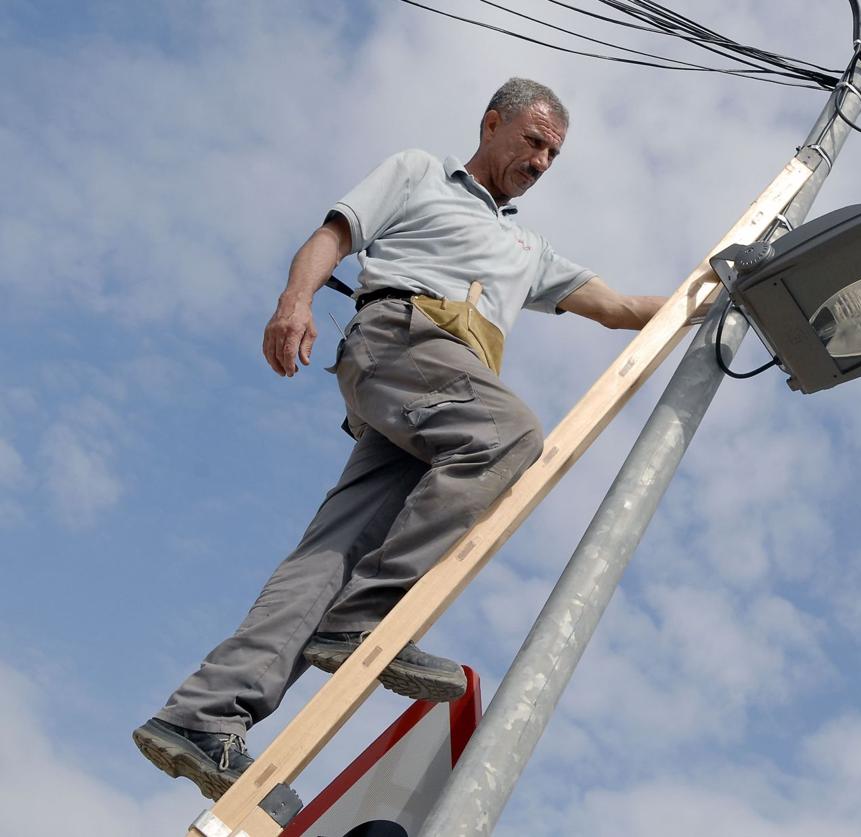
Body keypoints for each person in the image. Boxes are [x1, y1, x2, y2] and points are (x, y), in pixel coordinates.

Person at [132, 78, 672, 801]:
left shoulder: (528, 247)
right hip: (398, 341)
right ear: (492, 125)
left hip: (436, 403)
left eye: (554, 155)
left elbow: (623, 308)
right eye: (534, 142)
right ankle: (367, 614)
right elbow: (334, 235)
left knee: (329, 556)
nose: (542, 162)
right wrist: (295, 300)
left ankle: (204, 714)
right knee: (510, 435)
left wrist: (719, 290)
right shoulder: (421, 171)